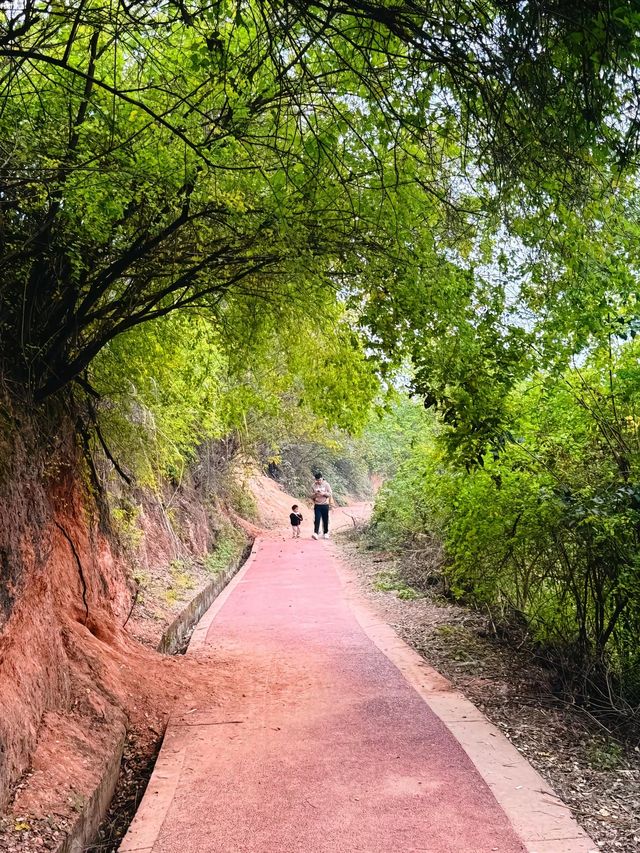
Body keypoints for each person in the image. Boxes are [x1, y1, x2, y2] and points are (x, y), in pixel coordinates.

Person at [310, 471, 333, 539]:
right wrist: (315, 494)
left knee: (325, 519)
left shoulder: (326, 485)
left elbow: (330, 494)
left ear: (322, 478)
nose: (318, 481)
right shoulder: (313, 485)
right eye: (317, 480)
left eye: (319, 480)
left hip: (325, 504)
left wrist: (323, 493)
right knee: (317, 519)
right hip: (317, 504)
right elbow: (310, 495)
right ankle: (316, 533)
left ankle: (325, 533)